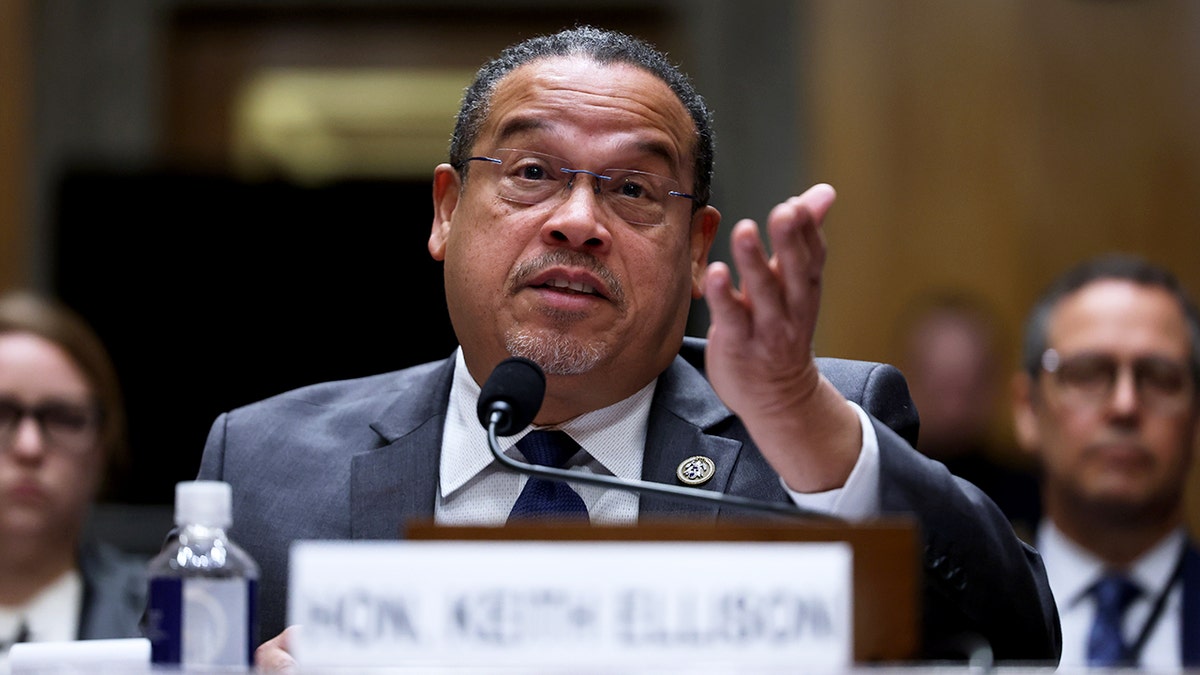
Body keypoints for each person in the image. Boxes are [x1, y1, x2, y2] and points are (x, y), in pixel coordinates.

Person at [194, 26, 1060, 669]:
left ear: (695, 249)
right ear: (447, 210)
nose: (578, 222)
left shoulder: (806, 439)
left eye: (635, 189)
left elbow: (1022, 641)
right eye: (533, 173)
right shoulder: (266, 462)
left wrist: (810, 431)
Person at [1011, 253, 1200, 670]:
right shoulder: (957, 627)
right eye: (1087, 373)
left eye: (1160, 377)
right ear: (1028, 409)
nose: (1124, 405)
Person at [0, 290, 147, 665]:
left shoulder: (162, 620)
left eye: (64, 419)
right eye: (1, 414)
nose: (29, 447)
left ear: (104, 445)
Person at [898, 291, 1042, 540]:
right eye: (941, 384)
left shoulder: (1033, 497)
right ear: (906, 378)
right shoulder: (879, 494)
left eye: (969, 384)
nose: (954, 405)